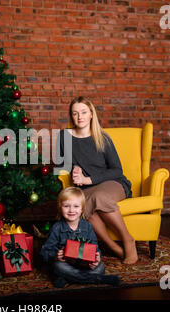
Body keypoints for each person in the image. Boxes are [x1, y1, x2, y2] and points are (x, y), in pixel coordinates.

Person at [56, 96, 138, 264]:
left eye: (84, 112)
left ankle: (128, 240)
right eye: (75, 113)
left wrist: (88, 179)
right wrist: (74, 169)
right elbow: (60, 165)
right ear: (71, 116)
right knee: (84, 205)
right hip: (87, 188)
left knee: (98, 197)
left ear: (91, 114)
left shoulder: (103, 138)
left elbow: (117, 170)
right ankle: (113, 247)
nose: (80, 117)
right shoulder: (64, 136)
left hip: (113, 183)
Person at [40, 187, 120, 288]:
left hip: (83, 265)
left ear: (82, 208)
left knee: (100, 268)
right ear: (60, 207)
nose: (71, 210)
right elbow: (45, 251)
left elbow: (95, 248)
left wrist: (97, 258)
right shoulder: (57, 228)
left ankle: (68, 278)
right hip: (65, 264)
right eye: (66, 206)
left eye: (76, 206)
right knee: (57, 266)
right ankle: (97, 279)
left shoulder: (87, 226)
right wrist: (56, 256)